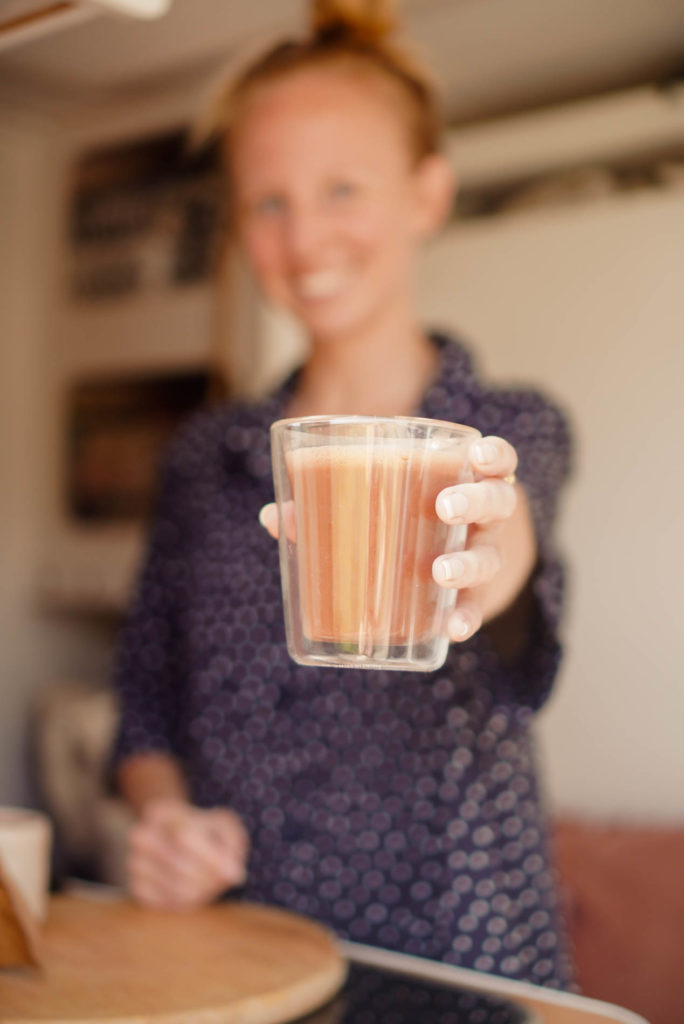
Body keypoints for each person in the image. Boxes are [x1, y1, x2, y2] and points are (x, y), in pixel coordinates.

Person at [112, 0, 574, 990]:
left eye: (342, 189)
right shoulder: (203, 458)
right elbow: (144, 704)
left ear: (427, 194)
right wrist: (163, 818)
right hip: (249, 964)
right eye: (267, 202)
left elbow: (513, 576)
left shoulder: (502, 430)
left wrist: (484, 572)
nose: (304, 235)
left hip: (460, 966)